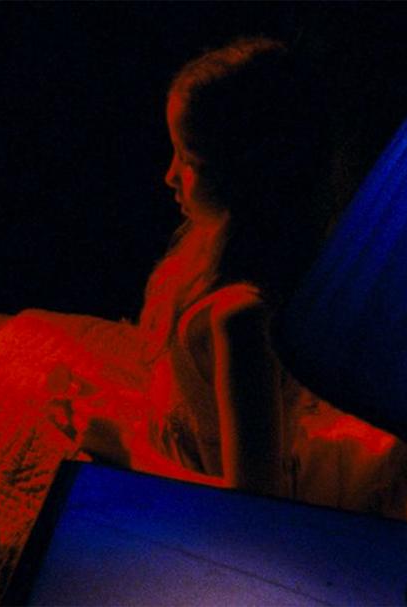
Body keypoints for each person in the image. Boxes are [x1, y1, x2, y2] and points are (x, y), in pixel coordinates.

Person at [69, 37, 332, 498]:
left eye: (189, 160)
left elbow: (252, 503)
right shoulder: (203, 257)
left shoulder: (240, 317)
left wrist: (126, 449)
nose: (169, 175)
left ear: (243, 177)